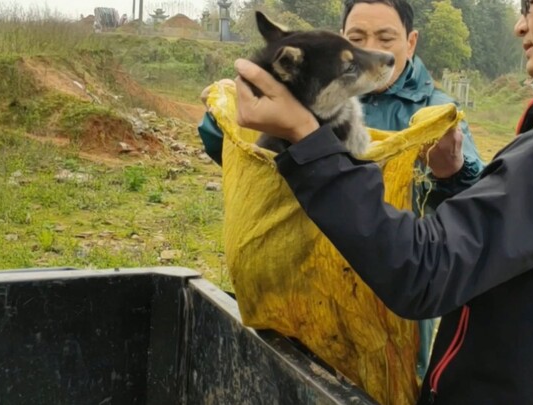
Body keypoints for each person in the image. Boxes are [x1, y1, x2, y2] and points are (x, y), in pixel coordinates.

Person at [227, 0, 533, 403]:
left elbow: (424, 270)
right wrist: (454, 178)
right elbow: (525, 264)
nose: (520, 24)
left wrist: (308, 142)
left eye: (530, 4)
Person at [197, 0, 486, 379]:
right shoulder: (306, 84)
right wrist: (226, 119)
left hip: (381, 301)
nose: (376, 51)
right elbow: (246, 171)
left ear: (411, 42)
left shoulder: (435, 114)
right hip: (293, 295)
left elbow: (470, 213)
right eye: (356, 38)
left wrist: (453, 172)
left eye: (386, 37)